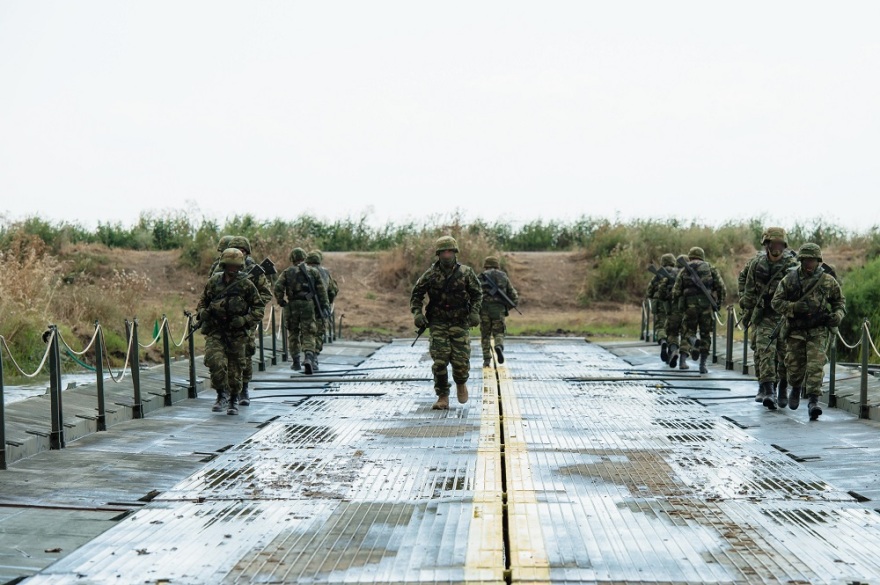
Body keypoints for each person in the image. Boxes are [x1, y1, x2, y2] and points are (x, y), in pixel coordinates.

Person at [771, 243, 845, 421]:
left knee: (815, 366)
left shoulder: (827, 281)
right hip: (796, 330)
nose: (809, 264)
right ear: (801, 260)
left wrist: (837, 315)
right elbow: (776, 302)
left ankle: (813, 401)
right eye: (805, 260)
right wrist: (793, 307)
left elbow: (839, 301)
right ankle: (795, 387)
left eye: (812, 260)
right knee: (794, 368)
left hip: (818, 330)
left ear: (818, 261)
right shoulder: (790, 279)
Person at [410, 236, 482, 410]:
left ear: (455, 252)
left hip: (460, 322)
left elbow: (477, 294)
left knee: (461, 362)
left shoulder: (466, 272)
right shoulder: (430, 274)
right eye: (443, 252)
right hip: (438, 323)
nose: (447, 255)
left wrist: (474, 312)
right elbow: (416, 295)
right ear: (438, 254)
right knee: (440, 362)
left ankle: (461, 382)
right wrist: (417, 314)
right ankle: (443, 396)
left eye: (450, 251)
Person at [195, 248, 266, 415]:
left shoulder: (247, 284)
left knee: (235, 370)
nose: (233, 269)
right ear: (224, 265)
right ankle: (221, 395)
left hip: (238, 333)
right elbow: (202, 302)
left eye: (236, 266)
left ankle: (234, 398)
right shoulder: (213, 282)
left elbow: (259, 307)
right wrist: (202, 312)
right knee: (215, 362)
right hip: (216, 331)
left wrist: (245, 320)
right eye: (230, 266)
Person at [740, 228, 799, 409]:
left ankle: (782, 385)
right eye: (773, 244)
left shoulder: (793, 266)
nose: (776, 248)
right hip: (764, 315)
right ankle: (768, 390)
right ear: (766, 244)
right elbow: (748, 289)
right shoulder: (757, 264)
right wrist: (747, 312)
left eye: (780, 244)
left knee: (785, 355)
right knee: (764, 350)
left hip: (784, 316)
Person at [229, 236, 273, 405]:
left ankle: (244, 389)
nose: (236, 253)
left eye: (240, 250)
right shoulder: (222, 267)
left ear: (246, 252)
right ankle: (227, 391)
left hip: (246, 319)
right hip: (225, 318)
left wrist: (250, 306)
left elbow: (266, 294)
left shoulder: (254, 270)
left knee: (245, 354)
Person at [273, 247, 329, 375]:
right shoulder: (313, 272)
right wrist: (324, 306)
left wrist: (281, 301)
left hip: (292, 305)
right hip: (307, 305)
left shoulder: (287, 272)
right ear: (304, 257)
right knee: (308, 332)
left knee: (293, 333)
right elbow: (321, 291)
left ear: (292, 259)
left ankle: (296, 361)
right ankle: (308, 357)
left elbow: (277, 287)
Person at [671, 247, 726, 373]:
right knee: (706, 335)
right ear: (702, 256)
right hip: (706, 307)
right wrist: (718, 303)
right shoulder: (709, 267)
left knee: (687, 331)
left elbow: (676, 291)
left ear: (690, 256)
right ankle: (703, 365)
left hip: (690, 307)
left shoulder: (684, 269)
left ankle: (692, 344)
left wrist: (678, 304)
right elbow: (721, 287)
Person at [478, 256, 519, 367]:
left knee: (485, 335)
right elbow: (514, 296)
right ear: (497, 265)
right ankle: (499, 346)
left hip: (484, 309)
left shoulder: (481, 277)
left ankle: (487, 360)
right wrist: (506, 307)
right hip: (498, 309)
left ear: (486, 265)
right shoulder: (503, 276)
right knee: (499, 332)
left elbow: (474, 294)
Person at [306, 250, 339, 372]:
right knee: (319, 333)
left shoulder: (303, 271)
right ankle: (314, 358)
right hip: (321, 307)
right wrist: (328, 303)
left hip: (306, 307)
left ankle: (308, 355)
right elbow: (333, 290)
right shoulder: (325, 272)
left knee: (307, 332)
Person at [646, 254, 677, 362]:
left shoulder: (657, 275)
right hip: (672, 304)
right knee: (673, 329)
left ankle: (663, 341)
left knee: (660, 326)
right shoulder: (677, 272)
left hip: (660, 303)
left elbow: (649, 292)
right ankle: (672, 349)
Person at [665, 255, 686, 368]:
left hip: (673, 310)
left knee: (672, 333)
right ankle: (683, 361)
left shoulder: (670, 273)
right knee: (686, 334)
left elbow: (661, 290)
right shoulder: (689, 273)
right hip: (687, 309)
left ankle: (674, 350)